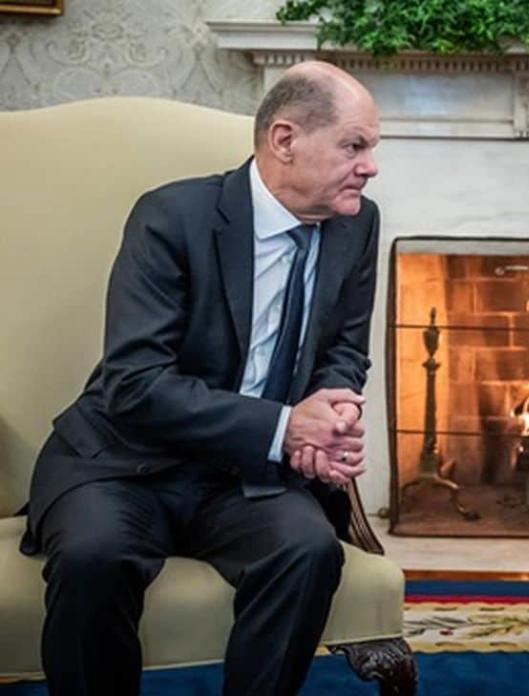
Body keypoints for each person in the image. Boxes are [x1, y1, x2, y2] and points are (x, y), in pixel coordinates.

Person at [19, 61, 382, 695]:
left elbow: (345, 350)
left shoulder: (357, 223)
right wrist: (284, 425)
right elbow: (134, 382)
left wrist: (330, 418)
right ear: (285, 139)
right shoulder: (172, 217)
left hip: (243, 479)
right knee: (92, 558)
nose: (370, 165)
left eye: (371, 148)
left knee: (307, 550)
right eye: (355, 145)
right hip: (122, 463)